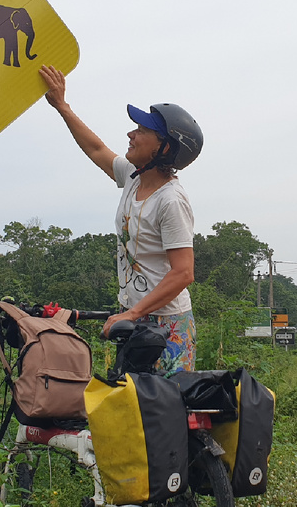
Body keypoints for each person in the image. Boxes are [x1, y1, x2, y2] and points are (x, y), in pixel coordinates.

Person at [39, 64, 202, 375]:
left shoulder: (171, 200)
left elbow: (183, 273)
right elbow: (96, 148)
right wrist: (62, 106)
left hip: (167, 325)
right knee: (129, 408)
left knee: (162, 413)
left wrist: (134, 312)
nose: (131, 133)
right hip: (134, 318)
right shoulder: (133, 176)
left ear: (163, 147)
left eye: (141, 130)